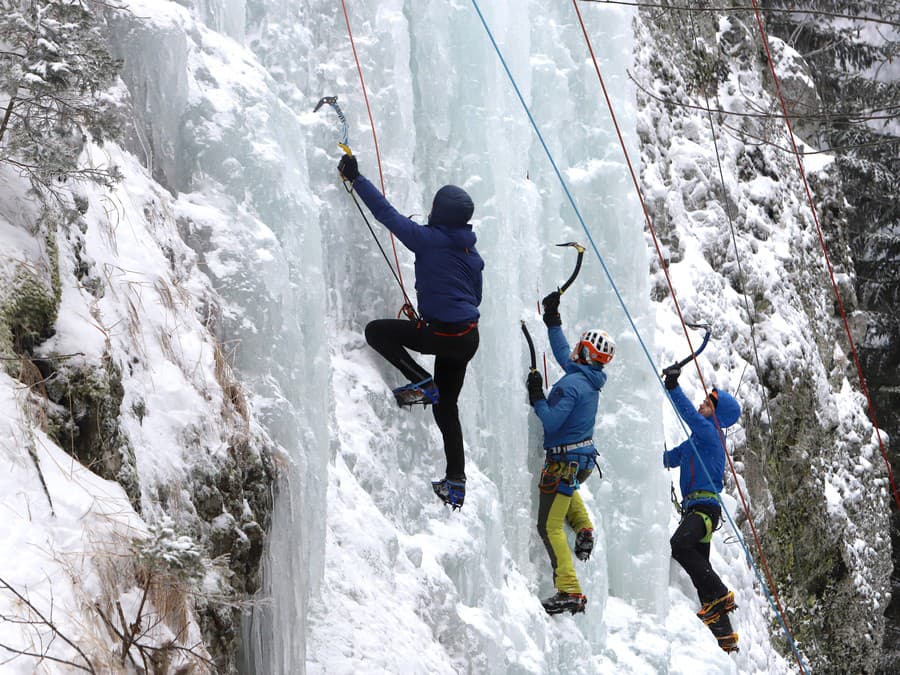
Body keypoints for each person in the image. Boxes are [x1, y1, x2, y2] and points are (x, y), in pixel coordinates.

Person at [337, 153, 483, 510]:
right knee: (447, 408)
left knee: (377, 332)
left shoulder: (427, 239)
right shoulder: (471, 252)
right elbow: (474, 296)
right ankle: (456, 482)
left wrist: (356, 179)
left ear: (440, 211)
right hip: (466, 338)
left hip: (443, 334)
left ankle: (421, 380)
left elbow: (387, 215)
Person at [525, 290, 614, 616]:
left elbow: (550, 421)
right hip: (580, 461)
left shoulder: (573, 385)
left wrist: (537, 394)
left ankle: (570, 590)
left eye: (581, 347)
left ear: (587, 354)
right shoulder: (587, 376)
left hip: (564, 462)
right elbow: (564, 353)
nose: (575, 348)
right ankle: (584, 527)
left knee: (548, 527)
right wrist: (553, 318)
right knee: (566, 496)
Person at [662, 364, 741, 653]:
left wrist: (673, 386)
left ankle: (721, 593)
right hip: (699, 510)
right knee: (700, 574)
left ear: (717, 415)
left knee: (679, 545)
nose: (701, 403)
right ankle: (725, 637)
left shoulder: (710, 433)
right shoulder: (696, 441)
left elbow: (690, 415)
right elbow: (670, 458)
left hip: (704, 509)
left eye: (708, 403)